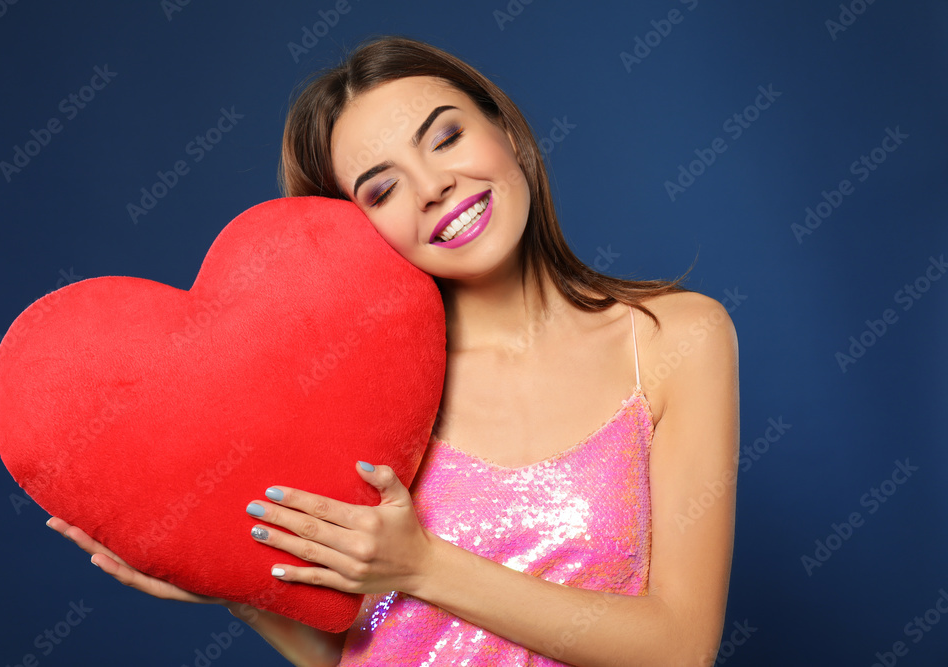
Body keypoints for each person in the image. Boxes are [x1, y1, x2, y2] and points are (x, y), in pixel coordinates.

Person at [47, 35, 739, 667]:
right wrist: (234, 584)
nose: (433, 185)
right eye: (382, 188)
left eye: (445, 137)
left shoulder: (675, 339)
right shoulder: (362, 387)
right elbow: (353, 647)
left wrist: (423, 565)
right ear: (355, 229)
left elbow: (679, 647)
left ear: (505, 130)